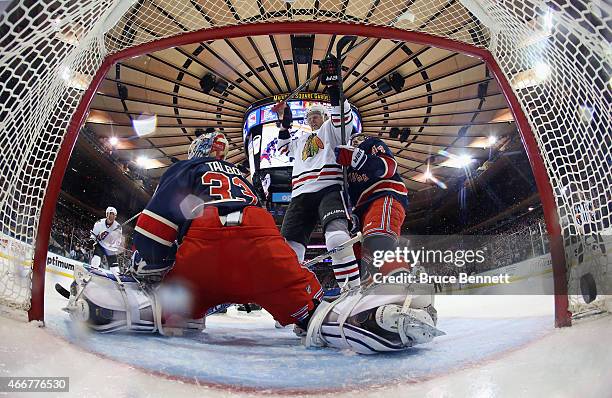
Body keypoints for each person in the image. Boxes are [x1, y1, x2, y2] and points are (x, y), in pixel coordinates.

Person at [64, 130, 443, 354]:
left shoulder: (187, 168)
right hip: (261, 235)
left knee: (169, 306)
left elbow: (159, 222)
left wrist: (151, 271)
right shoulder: (242, 180)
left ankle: (115, 308)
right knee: (314, 315)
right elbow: (257, 232)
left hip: (207, 242)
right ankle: (370, 320)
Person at [276, 55, 360, 289]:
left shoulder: (330, 130)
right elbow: (283, 148)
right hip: (300, 194)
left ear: (323, 117)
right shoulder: (301, 139)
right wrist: (285, 123)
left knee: (337, 237)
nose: (312, 118)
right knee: (289, 250)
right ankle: (292, 299)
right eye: (309, 116)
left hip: (328, 187)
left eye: (316, 115)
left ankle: (352, 291)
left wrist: (334, 87)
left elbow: (341, 119)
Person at [334, 136, 409, 281]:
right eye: (352, 139)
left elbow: (388, 167)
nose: (356, 140)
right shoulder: (345, 167)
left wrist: (356, 156)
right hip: (360, 210)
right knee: (355, 255)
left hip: (383, 194)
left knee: (379, 239)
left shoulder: (372, 144)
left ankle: (401, 284)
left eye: (359, 137)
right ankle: (367, 288)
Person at [90, 206, 123, 273]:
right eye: (111, 213)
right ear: (107, 214)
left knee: (114, 268)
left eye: (114, 214)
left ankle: (116, 276)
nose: (112, 216)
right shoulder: (99, 223)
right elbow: (93, 235)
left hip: (111, 248)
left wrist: (111, 238)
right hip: (101, 244)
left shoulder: (118, 227)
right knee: (96, 258)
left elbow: (117, 241)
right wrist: (93, 240)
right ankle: (93, 269)